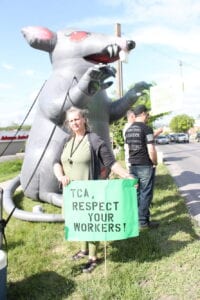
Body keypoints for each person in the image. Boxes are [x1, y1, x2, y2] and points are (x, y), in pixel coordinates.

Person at [53, 106, 134, 273]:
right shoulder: (67, 141)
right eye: (71, 120)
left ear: (84, 120)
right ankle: (83, 250)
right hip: (73, 194)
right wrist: (61, 176)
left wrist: (126, 176)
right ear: (68, 123)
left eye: (77, 119)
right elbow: (56, 163)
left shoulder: (93, 140)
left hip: (90, 192)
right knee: (78, 222)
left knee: (91, 224)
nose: (74, 122)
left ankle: (93, 257)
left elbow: (110, 162)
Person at [125, 104, 159, 229]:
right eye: (148, 114)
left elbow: (129, 149)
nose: (148, 117)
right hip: (145, 165)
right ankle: (143, 222)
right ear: (143, 114)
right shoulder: (147, 129)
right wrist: (155, 162)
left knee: (137, 193)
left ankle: (138, 219)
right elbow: (151, 149)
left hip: (132, 165)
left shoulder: (129, 130)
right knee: (146, 193)